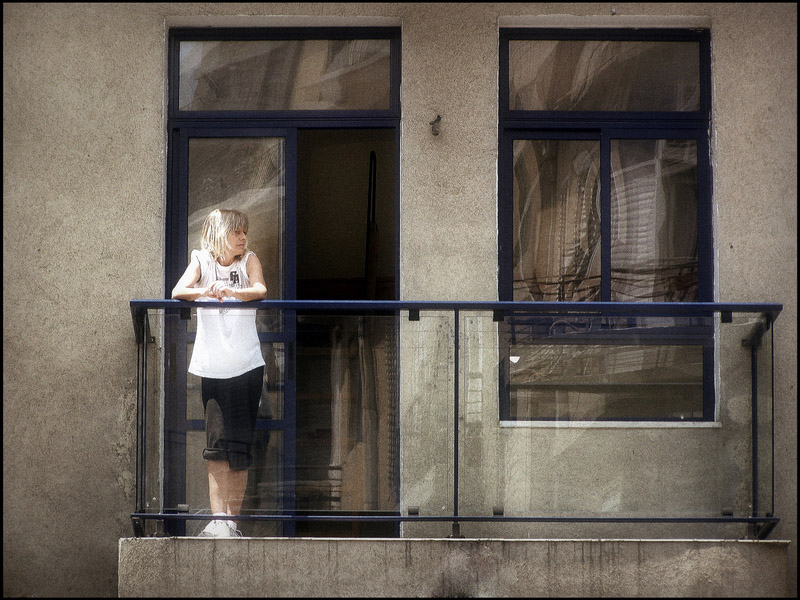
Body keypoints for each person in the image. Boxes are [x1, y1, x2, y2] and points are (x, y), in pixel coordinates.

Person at [171, 208, 267, 538]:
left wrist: (233, 293)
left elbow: (260, 290)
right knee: (216, 446)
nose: (243, 237)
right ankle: (218, 520)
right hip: (212, 367)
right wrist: (206, 291)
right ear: (219, 234)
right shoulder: (202, 259)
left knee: (239, 446)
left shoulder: (249, 260)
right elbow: (178, 291)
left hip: (246, 367)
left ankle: (232, 523)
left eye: (245, 232)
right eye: (237, 232)